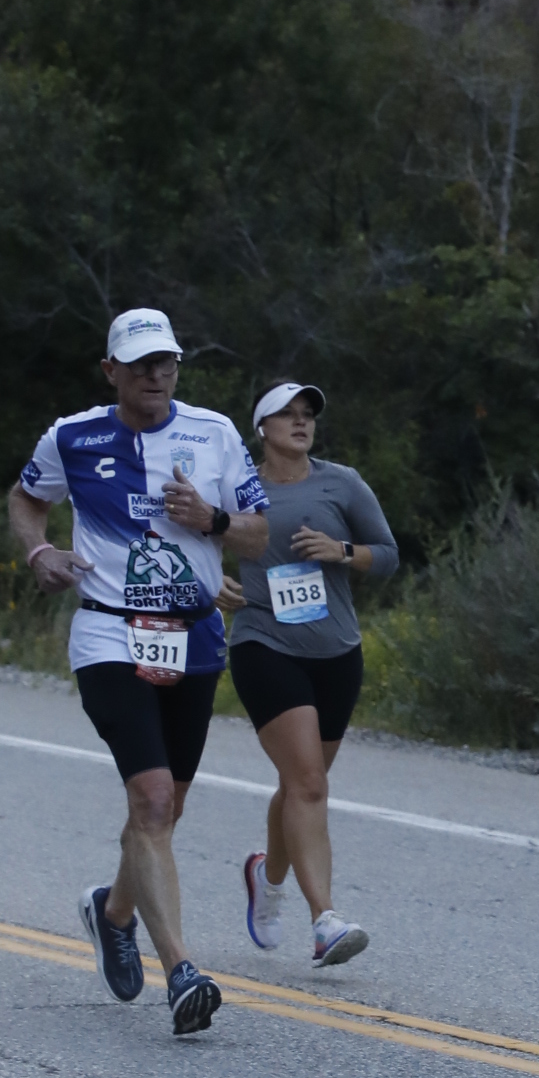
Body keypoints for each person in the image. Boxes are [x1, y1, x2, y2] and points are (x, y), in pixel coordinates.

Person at [9, 306, 269, 1036]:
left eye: (167, 362)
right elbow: (26, 497)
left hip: (194, 637)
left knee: (166, 809)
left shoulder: (214, 434)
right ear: (111, 371)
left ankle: (114, 911)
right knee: (151, 799)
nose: (157, 374)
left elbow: (259, 535)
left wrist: (213, 521)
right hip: (108, 632)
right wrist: (39, 551)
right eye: (142, 363)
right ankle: (182, 972)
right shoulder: (73, 436)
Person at [225, 381, 399, 968]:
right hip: (264, 645)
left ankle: (267, 878)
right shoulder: (237, 487)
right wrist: (209, 583)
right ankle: (325, 920)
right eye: (287, 415)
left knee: (301, 783)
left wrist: (343, 551)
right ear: (262, 428)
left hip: (336, 652)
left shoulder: (341, 483)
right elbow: (187, 539)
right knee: (309, 785)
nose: (301, 423)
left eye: (308, 415)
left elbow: (389, 554)